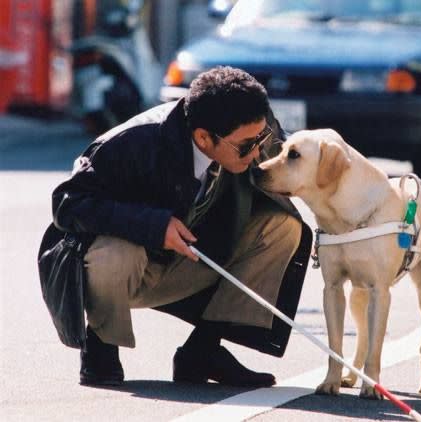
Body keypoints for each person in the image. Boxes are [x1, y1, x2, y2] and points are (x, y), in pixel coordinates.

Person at [41, 66, 311, 387]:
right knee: (115, 251)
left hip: (194, 261)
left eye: (262, 137)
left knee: (282, 227)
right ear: (203, 137)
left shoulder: (250, 126)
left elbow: (299, 158)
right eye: (246, 146)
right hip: (129, 269)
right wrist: (153, 225)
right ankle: (101, 346)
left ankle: (202, 352)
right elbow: (67, 203)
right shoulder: (132, 143)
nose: (257, 153)